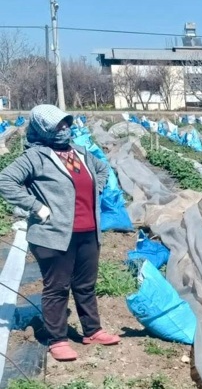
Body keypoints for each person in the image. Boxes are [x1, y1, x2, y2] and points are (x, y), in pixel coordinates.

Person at [0, 104, 121, 362]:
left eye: (66, 123)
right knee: (57, 288)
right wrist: (37, 207)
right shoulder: (36, 157)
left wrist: (97, 189)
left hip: (88, 231)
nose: (64, 129)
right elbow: (5, 181)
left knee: (85, 285)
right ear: (44, 129)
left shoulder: (80, 152)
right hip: (53, 234)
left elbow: (102, 169)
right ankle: (58, 339)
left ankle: (92, 330)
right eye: (57, 125)